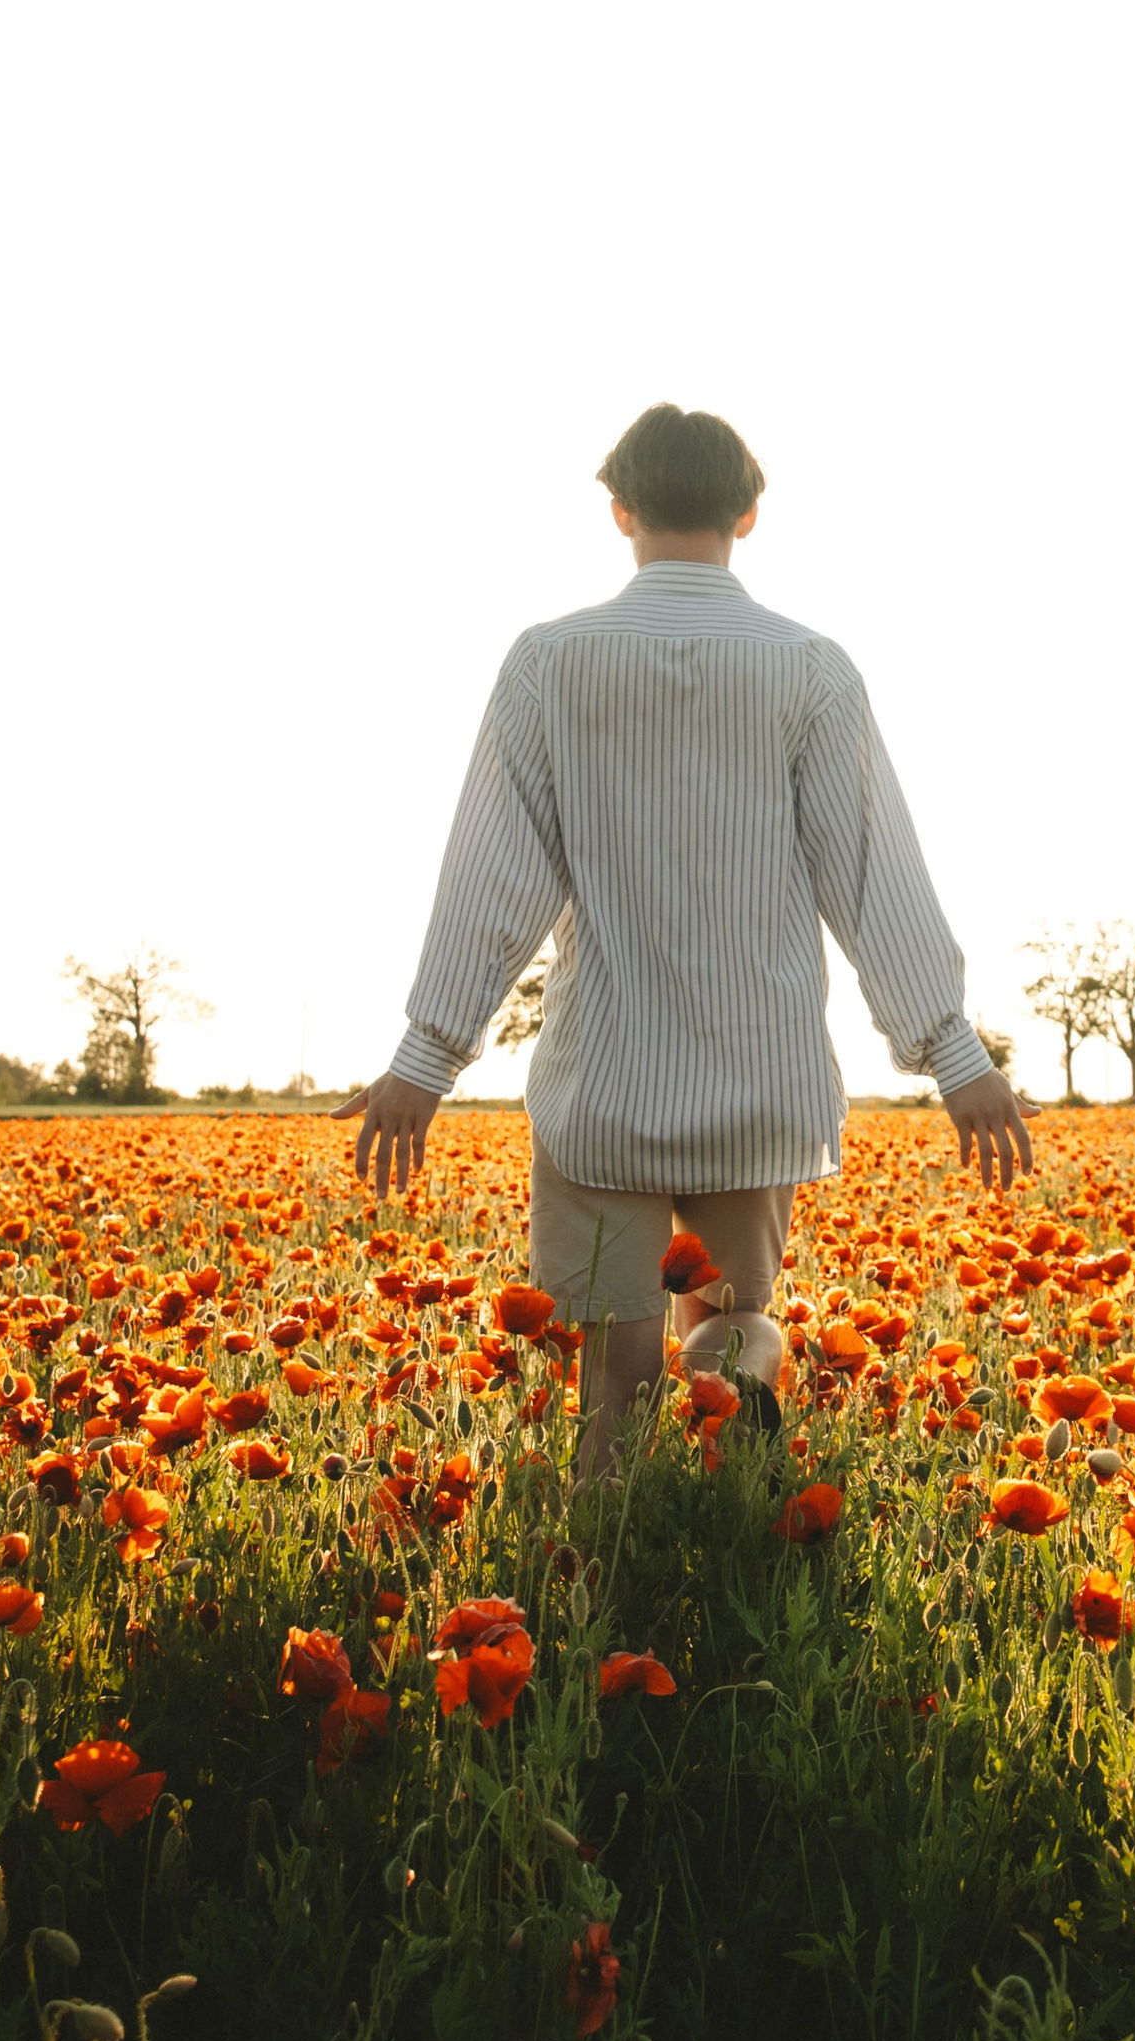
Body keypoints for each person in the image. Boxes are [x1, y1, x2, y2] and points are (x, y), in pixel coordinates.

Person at [338, 402, 1031, 1479]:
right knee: (734, 1319)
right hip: (756, 1082)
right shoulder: (811, 669)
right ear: (748, 515)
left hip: (602, 1086)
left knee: (615, 1369)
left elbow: (493, 879)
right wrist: (954, 1055)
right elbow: (870, 874)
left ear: (620, 511)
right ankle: (728, 1458)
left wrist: (426, 1059)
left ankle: (608, 1578)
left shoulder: (548, 665)